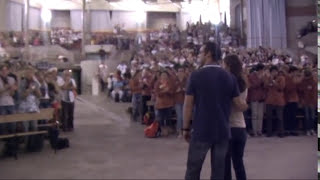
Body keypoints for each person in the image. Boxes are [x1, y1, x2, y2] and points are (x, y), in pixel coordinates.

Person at [183, 42, 248, 180]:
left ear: (208, 53)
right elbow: (238, 104)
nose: (199, 55)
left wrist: (185, 128)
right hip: (222, 131)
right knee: (218, 172)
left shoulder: (195, 75)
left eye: (201, 52)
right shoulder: (229, 77)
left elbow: (188, 105)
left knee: (193, 170)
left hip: (202, 129)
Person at [223, 55, 248, 180]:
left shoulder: (226, 83)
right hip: (240, 126)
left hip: (228, 126)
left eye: (224, 64)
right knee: (238, 163)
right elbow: (242, 104)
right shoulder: (243, 83)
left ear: (228, 66)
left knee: (225, 165)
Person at [264, 66, 286, 137]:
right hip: (269, 100)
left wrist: (273, 81)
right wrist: (269, 79)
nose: (274, 73)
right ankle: (269, 132)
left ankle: (281, 132)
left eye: (275, 71)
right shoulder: (268, 78)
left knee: (280, 117)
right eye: (272, 71)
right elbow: (265, 86)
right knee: (269, 117)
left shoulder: (281, 78)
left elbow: (281, 87)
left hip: (279, 100)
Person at [248, 63, 265, 137]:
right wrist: (260, 79)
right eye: (262, 70)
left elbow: (265, 85)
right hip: (254, 97)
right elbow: (254, 85)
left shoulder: (263, 75)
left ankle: (259, 131)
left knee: (260, 115)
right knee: (255, 115)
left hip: (261, 97)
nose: (263, 71)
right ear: (260, 69)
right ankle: (255, 131)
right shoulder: (252, 75)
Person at [0, 64, 17, 135]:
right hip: (1, 104)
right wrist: (6, 88)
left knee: (13, 122)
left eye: (6, 70)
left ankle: (12, 140)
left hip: (10, 103)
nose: (4, 72)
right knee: (3, 123)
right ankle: (4, 139)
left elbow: (12, 94)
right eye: (2, 70)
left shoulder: (11, 79)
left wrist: (12, 89)